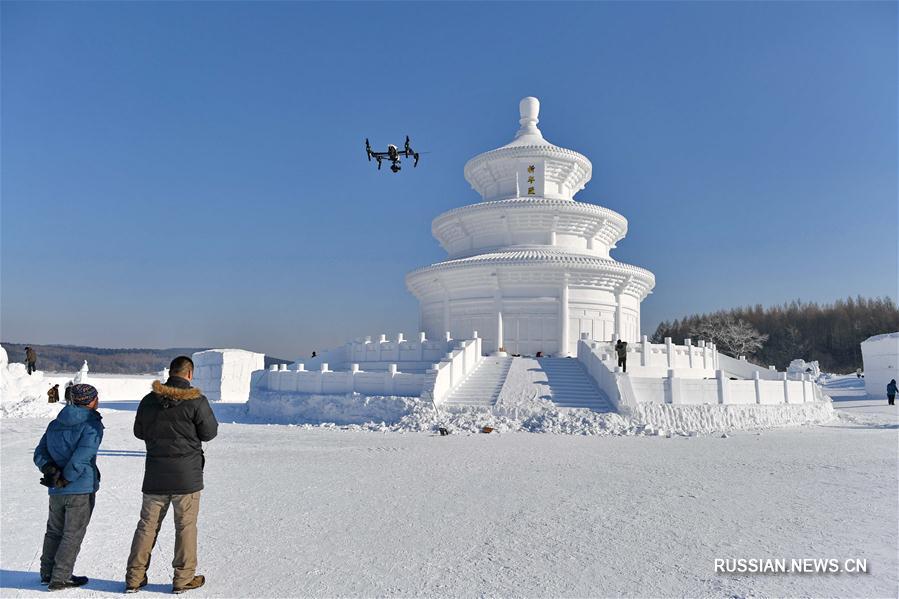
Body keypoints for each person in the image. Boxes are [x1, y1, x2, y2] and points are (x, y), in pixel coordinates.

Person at [125, 356, 218, 594]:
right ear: (189, 374)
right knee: (185, 526)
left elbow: (138, 432)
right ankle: (183, 578)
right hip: (187, 477)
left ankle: (134, 578)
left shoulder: (148, 400)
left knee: (146, 526)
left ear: (171, 372)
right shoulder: (197, 401)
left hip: (156, 474)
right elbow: (209, 433)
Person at [33, 384, 104, 591]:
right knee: (72, 533)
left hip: (56, 488)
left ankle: (47, 572)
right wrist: (65, 477)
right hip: (79, 487)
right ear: (91, 401)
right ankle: (60, 577)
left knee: (54, 531)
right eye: (96, 397)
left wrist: (50, 470)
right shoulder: (92, 424)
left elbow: (40, 452)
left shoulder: (56, 423)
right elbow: (82, 457)